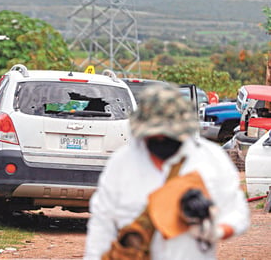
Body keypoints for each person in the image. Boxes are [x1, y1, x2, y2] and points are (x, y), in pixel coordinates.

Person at [84, 82, 250, 260]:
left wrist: (215, 230)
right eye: (155, 135)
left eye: (168, 134)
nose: (161, 139)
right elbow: (102, 224)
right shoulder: (122, 163)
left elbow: (238, 213)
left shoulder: (210, 159)